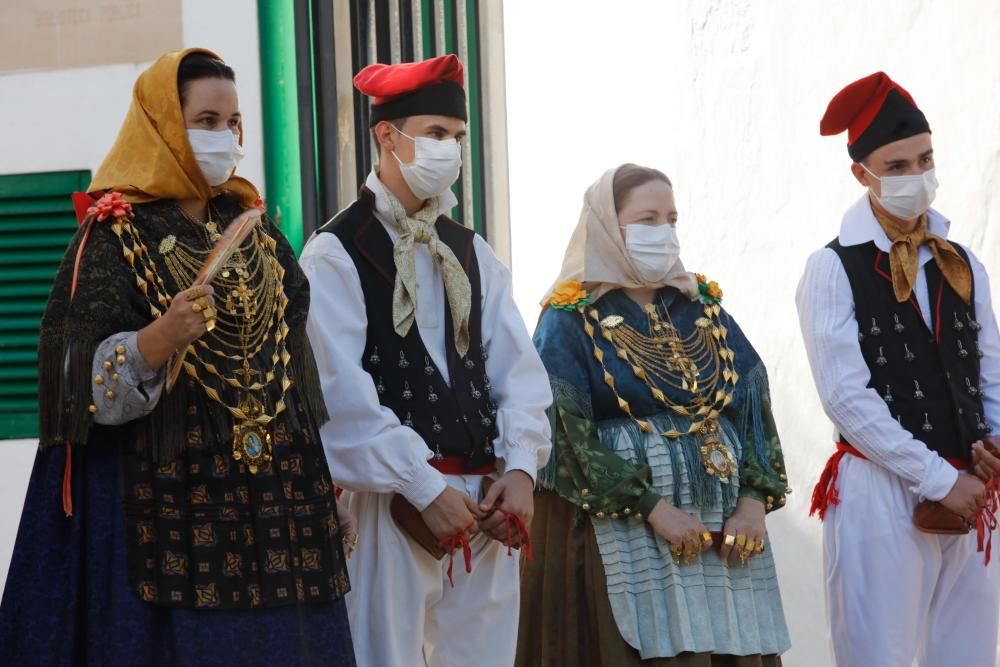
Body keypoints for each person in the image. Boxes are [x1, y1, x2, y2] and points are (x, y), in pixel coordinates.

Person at [0, 49, 356, 665]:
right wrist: (157, 340)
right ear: (164, 123)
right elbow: (70, 386)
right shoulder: (112, 236)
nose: (225, 137)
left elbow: (294, 377)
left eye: (233, 123)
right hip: (162, 507)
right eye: (208, 120)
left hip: (274, 508)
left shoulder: (260, 235)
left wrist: (326, 487)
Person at [300, 54, 552, 666]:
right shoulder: (336, 253)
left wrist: (520, 469)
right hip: (393, 507)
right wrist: (421, 485)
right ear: (387, 135)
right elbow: (339, 397)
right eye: (436, 134)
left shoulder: (471, 250)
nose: (450, 149)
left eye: (457, 137)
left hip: (486, 507)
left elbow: (518, 372)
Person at [517, 164, 791, 666]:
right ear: (607, 226)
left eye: (671, 218)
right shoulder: (568, 319)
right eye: (647, 219)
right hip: (624, 531)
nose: (663, 231)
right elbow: (563, 435)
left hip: (719, 532)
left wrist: (752, 501)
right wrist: (652, 508)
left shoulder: (704, 309)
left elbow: (752, 406)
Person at [798, 72, 1000, 667]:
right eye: (899, 164)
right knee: (879, 656)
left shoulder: (964, 263)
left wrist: (994, 448)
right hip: (882, 489)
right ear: (862, 174)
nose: (918, 176)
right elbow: (845, 398)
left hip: (975, 491)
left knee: (967, 656)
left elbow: (989, 367)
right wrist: (939, 479)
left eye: (926, 158)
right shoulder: (832, 268)